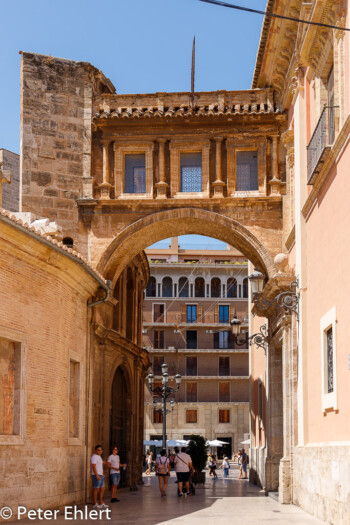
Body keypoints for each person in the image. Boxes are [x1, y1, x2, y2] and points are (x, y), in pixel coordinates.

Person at [91, 445, 108, 509]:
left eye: (101, 450)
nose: (100, 451)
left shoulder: (99, 457)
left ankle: (101, 502)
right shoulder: (94, 457)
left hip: (100, 475)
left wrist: (102, 474)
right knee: (96, 489)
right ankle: (95, 503)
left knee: (102, 489)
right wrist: (96, 475)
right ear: (95, 450)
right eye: (99, 450)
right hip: (96, 475)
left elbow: (100, 466)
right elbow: (93, 466)